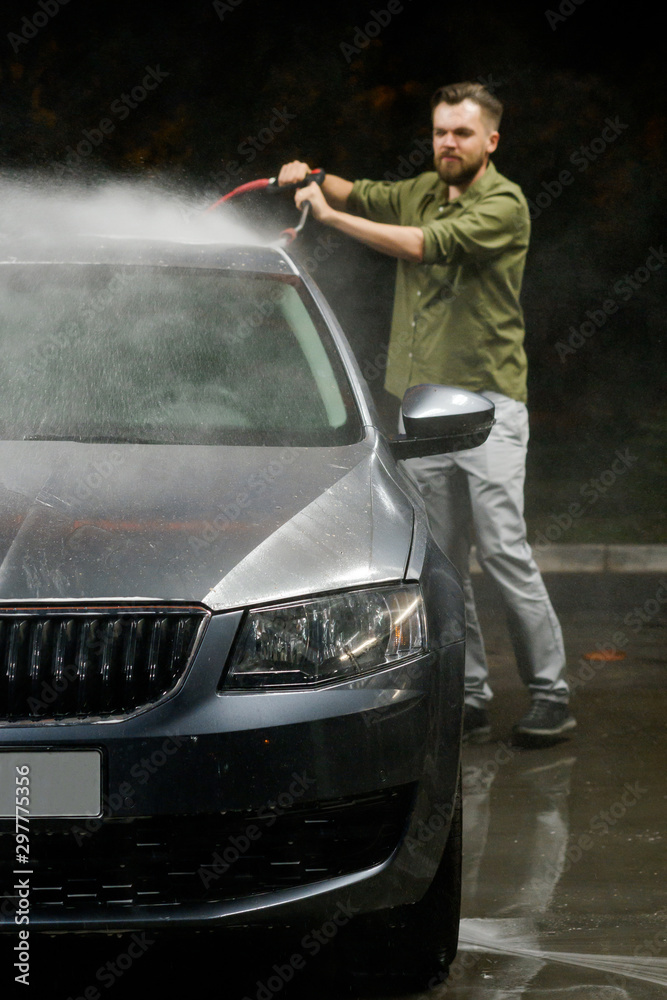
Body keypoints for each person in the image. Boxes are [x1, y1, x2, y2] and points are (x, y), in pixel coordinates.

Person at [277, 81, 575, 747]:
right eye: (440, 131)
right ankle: (468, 695)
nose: (447, 143)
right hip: (422, 412)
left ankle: (552, 695)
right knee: (443, 559)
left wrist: (325, 214)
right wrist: (316, 175)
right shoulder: (418, 187)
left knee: (503, 552)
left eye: (462, 133)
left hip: (490, 405)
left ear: (490, 140)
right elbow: (365, 193)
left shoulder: (504, 204)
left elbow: (419, 245)